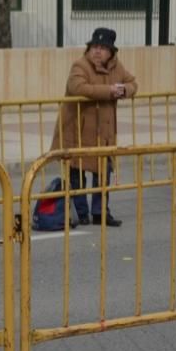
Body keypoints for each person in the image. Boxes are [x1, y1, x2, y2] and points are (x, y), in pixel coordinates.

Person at [50, 28, 137, 227]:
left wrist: (124, 90)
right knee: (77, 172)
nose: (97, 51)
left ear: (111, 52)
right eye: (94, 47)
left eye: (103, 48)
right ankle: (81, 213)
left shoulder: (117, 67)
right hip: (78, 129)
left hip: (103, 131)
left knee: (103, 172)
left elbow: (133, 83)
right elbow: (77, 88)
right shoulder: (80, 65)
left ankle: (100, 212)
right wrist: (109, 91)